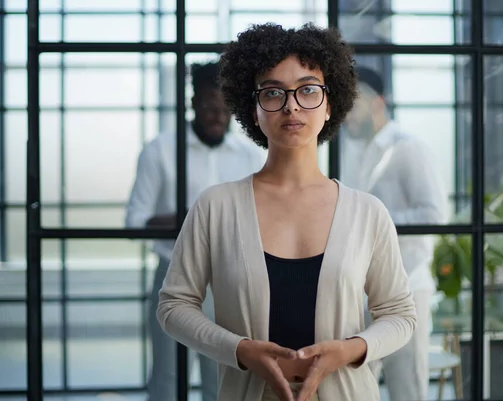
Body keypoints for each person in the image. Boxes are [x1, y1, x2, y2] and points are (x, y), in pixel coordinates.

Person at [156, 22, 417, 401]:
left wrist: (350, 349)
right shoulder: (216, 207)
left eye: (308, 89)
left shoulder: (367, 212)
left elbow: (400, 315)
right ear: (254, 109)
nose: (291, 105)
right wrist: (240, 350)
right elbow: (174, 305)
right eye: (273, 92)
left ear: (330, 105)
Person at [125, 61, 266, 401]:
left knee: (224, 376)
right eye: (208, 107)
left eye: (224, 110)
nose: (217, 117)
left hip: (232, 279)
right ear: (193, 103)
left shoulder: (249, 156)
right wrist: (194, 219)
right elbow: (135, 221)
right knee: (167, 376)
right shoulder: (160, 150)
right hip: (173, 275)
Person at [341, 66, 447, 401]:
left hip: (407, 288)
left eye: (352, 106)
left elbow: (435, 215)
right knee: (358, 385)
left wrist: (375, 220)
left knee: (407, 388)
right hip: (362, 291)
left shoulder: (407, 148)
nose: (345, 117)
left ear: (378, 103)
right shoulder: (354, 151)